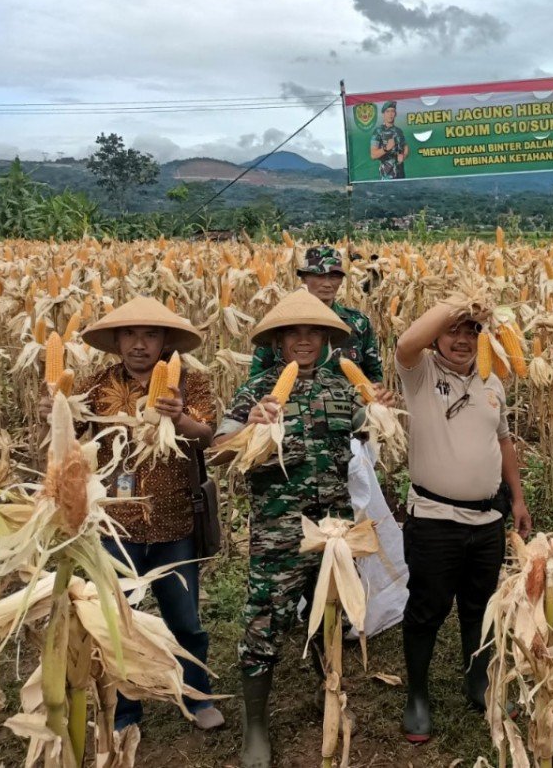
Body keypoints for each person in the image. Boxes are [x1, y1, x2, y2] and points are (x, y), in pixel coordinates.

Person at [213, 288, 391, 768]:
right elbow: (221, 448)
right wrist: (248, 427)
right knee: (263, 620)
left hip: (332, 531)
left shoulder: (340, 389)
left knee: (329, 613)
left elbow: (369, 442)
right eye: (295, 332)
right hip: (278, 531)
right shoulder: (256, 391)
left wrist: (379, 409)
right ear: (278, 341)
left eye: (314, 331)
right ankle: (255, 727)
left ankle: (329, 694)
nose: (305, 340)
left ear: (327, 339)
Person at [59, 297, 224, 732]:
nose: (139, 344)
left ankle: (197, 694)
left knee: (186, 622)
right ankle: (124, 712)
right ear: (116, 341)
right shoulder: (94, 385)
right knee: (116, 624)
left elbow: (208, 435)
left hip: (174, 524)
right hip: (114, 526)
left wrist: (181, 418)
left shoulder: (189, 384)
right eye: (130, 335)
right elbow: (69, 439)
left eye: (150, 335)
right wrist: (52, 412)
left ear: (164, 340)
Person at [393, 297, 530, 743]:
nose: (462, 339)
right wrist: (459, 302)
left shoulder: (493, 380)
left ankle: (477, 680)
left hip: (487, 519)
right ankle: (417, 695)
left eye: (471, 330)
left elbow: (504, 440)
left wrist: (518, 496)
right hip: (434, 519)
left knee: (480, 608)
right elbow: (405, 342)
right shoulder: (420, 374)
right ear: (437, 335)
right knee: (426, 611)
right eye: (453, 330)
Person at [250, 245, 384, 384]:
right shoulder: (283, 321)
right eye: (319, 276)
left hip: (346, 404)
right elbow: (257, 379)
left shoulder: (358, 322)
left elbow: (374, 375)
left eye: (333, 276)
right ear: (304, 278)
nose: (327, 284)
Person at [370, 100, 409, 180]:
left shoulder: (399, 131)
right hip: (386, 177)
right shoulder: (378, 131)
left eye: (392, 111)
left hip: (401, 176)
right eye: (387, 111)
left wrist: (403, 156)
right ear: (383, 114)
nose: (390, 114)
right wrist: (386, 148)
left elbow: (406, 147)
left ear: (395, 114)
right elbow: (373, 155)